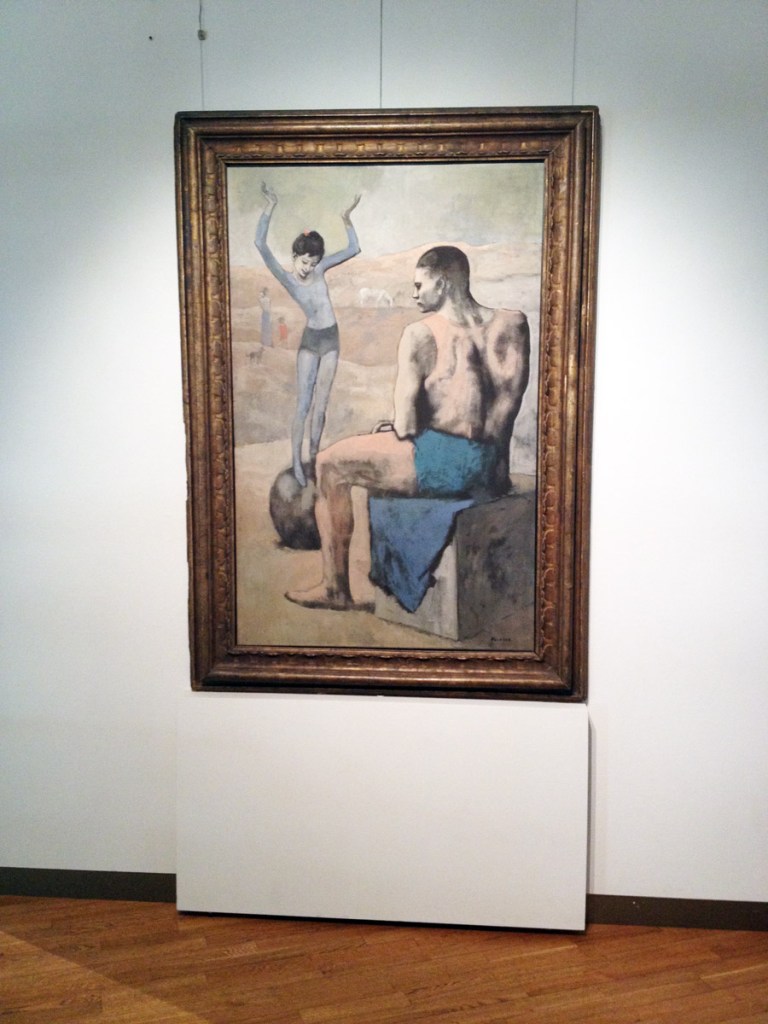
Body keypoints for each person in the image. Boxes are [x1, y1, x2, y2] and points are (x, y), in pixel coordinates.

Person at [286, 244, 531, 610]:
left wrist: (395, 427)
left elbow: (405, 426)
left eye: (419, 285)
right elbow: (500, 410)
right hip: (493, 467)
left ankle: (335, 589)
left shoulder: (420, 334)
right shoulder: (514, 324)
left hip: (444, 466)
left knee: (328, 464)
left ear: (443, 283)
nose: (414, 294)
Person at [255, 184, 361, 486]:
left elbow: (354, 249)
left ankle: (313, 459)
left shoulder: (321, 267)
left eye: (313, 263)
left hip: (331, 338)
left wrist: (346, 219)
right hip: (311, 340)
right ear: (294, 257)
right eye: (304, 262)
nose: (308, 268)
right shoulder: (286, 278)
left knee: (321, 404)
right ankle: (296, 463)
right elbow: (260, 244)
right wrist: (270, 205)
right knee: (303, 404)